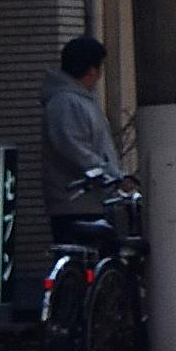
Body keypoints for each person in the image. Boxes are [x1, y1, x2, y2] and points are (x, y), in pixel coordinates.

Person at [42, 35, 126, 223]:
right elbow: (75, 150)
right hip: (74, 203)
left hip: (90, 200)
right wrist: (111, 175)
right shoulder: (65, 102)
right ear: (91, 70)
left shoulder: (80, 99)